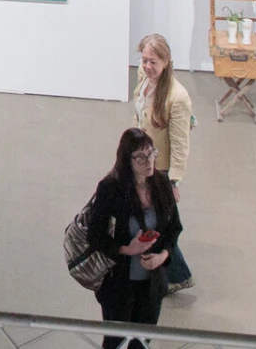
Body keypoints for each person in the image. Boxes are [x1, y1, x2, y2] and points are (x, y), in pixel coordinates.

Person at [85, 127, 181, 349]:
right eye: (140, 157)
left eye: (151, 154)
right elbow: (95, 234)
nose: (148, 161)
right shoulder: (111, 189)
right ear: (127, 160)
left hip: (151, 286)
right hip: (118, 284)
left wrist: (161, 257)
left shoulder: (162, 184)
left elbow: (174, 228)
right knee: (115, 342)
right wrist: (128, 249)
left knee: (141, 343)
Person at [133, 33, 195, 293]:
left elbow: (180, 144)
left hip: (160, 170)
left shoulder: (177, 97)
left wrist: (174, 181)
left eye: (153, 62)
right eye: (144, 60)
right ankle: (175, 275)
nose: (147, 67)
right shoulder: (142, 76)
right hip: (143, 163)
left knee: (162, 223)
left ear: (167, 62)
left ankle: (177, 275)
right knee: (160, 221)